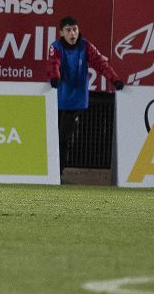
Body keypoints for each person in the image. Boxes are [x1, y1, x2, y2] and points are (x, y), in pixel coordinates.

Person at [47, 16, 124, 180]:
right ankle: (50, 173)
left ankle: (57, 174)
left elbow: (101, 64)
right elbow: (54, 63)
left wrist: (115, 79)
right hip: (57, 99)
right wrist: (55, 77)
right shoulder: (56, 47)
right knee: (53, 138)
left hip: (75, 100)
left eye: (75, 29)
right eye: (68, 30)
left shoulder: (85, 46)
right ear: (61, 32)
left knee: (63, 138)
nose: (72, 33)